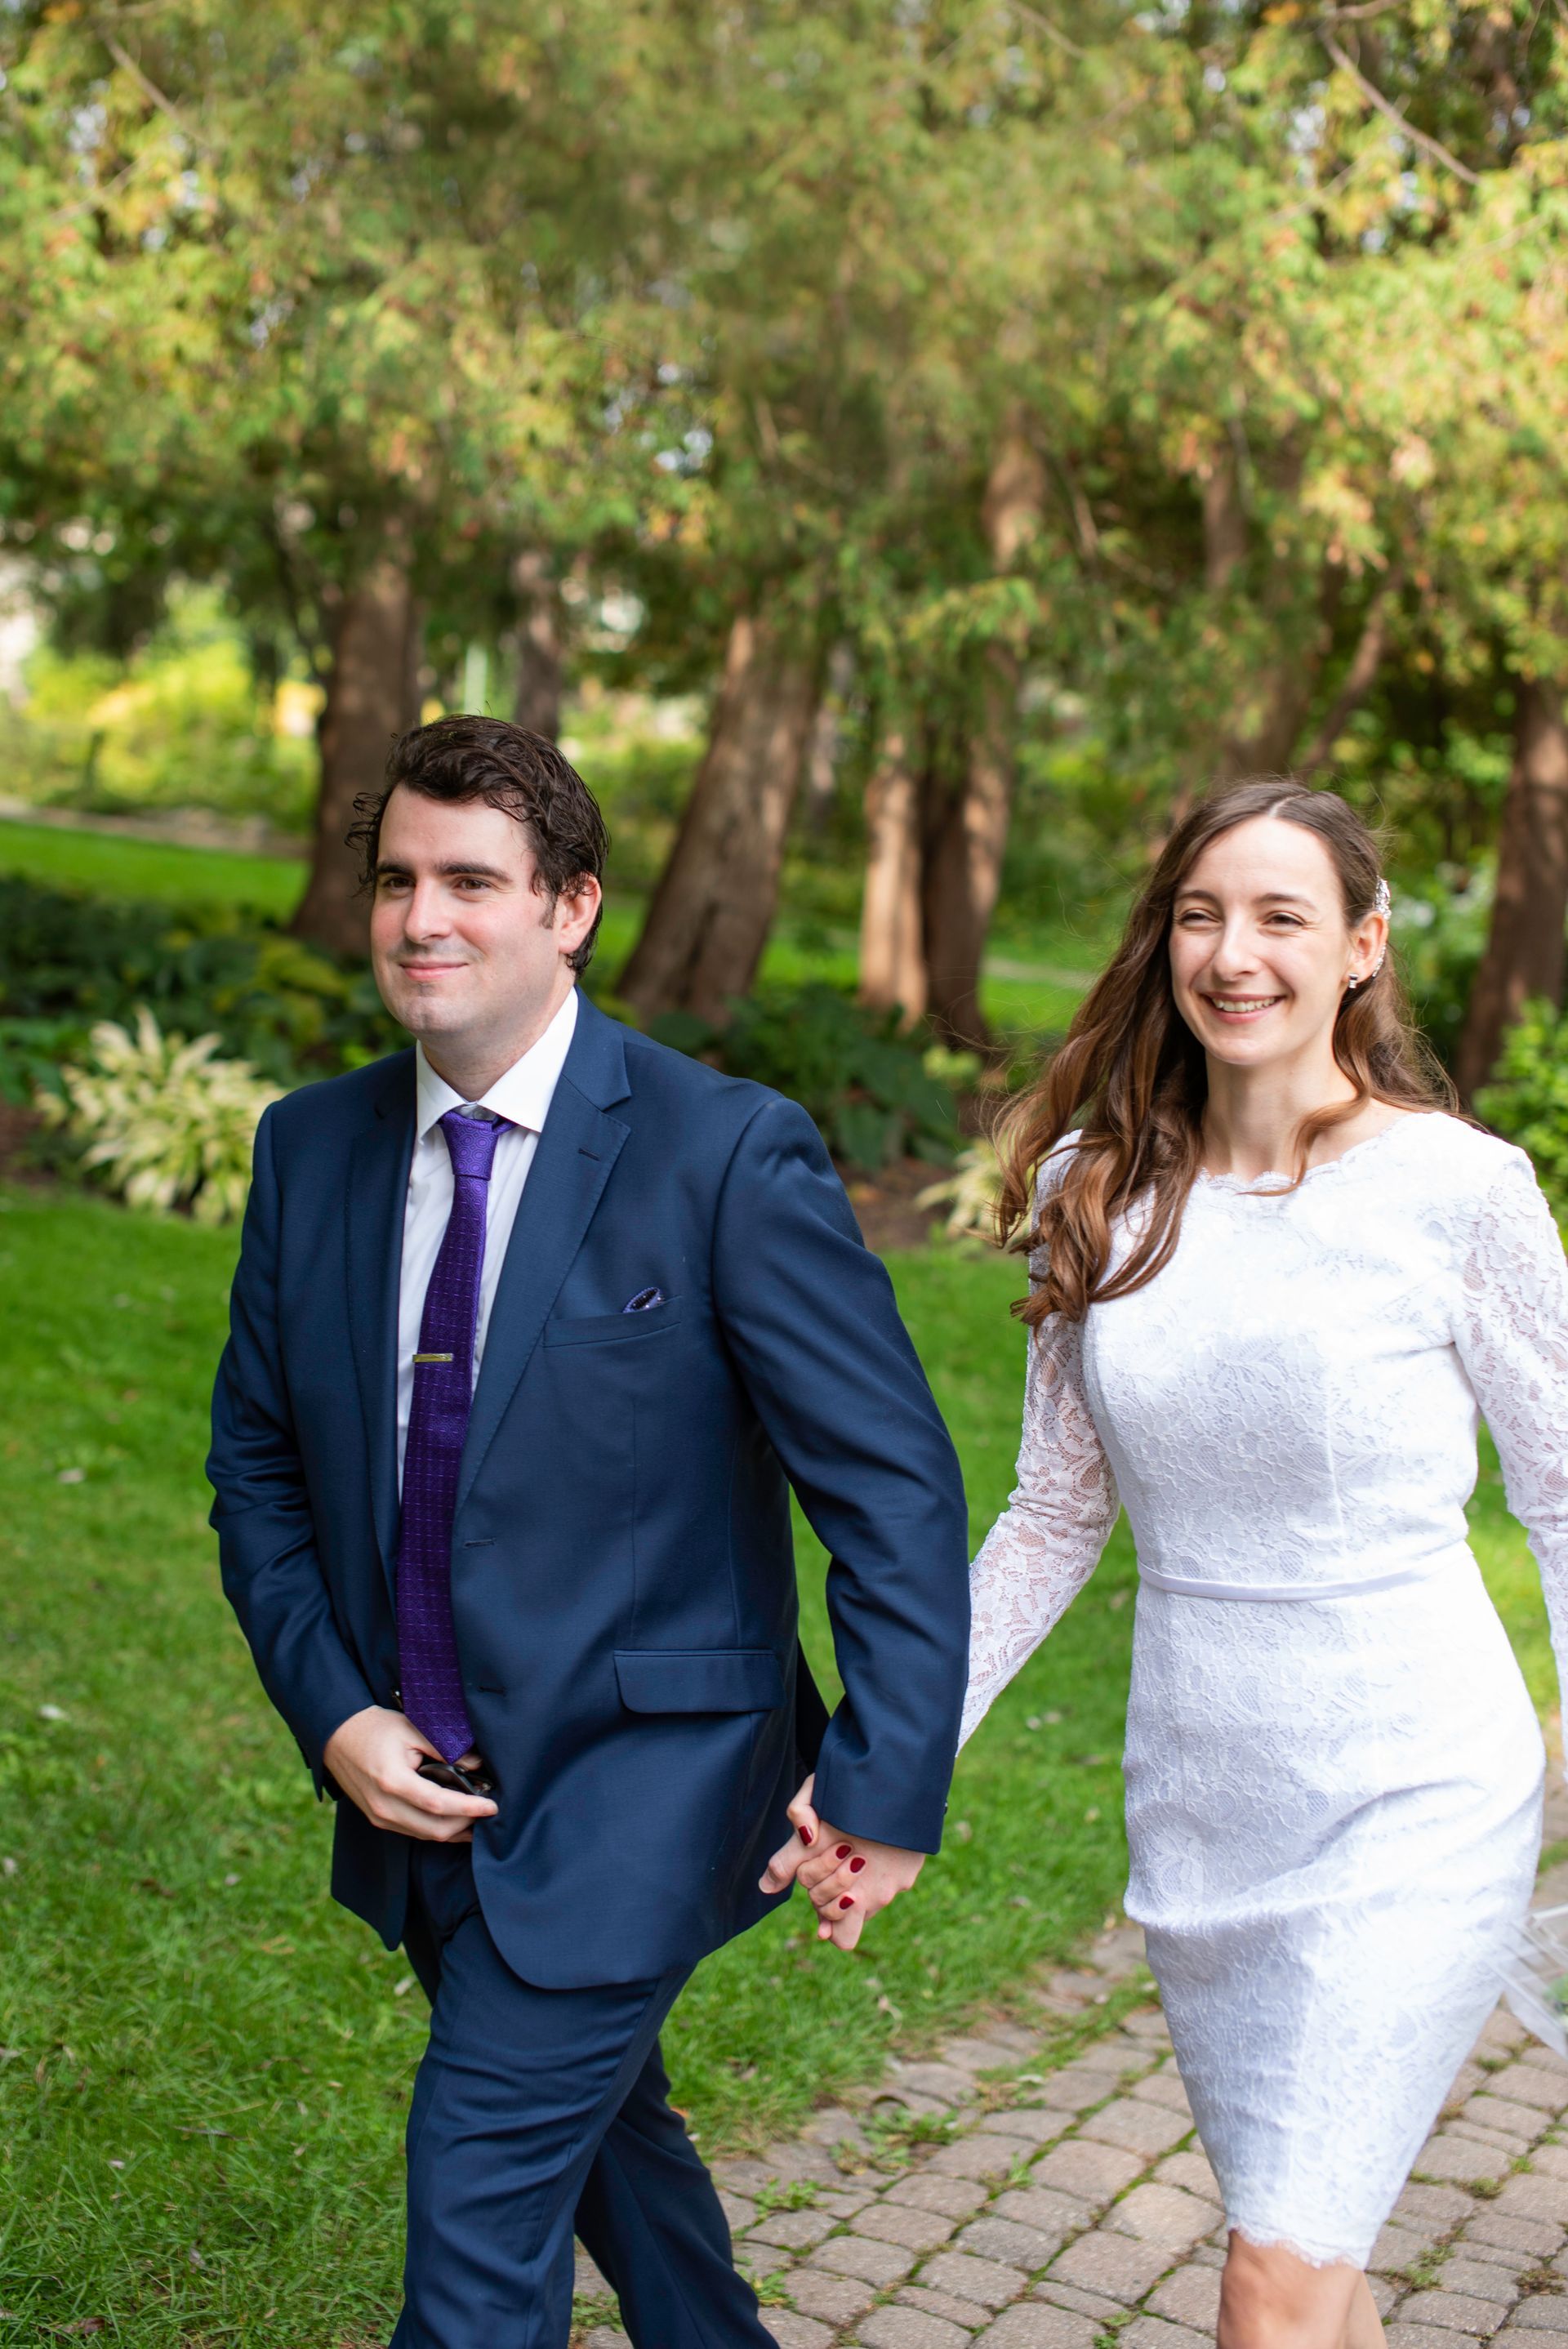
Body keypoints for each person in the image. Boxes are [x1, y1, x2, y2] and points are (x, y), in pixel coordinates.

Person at [206, 715, 970, 2349]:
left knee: (479, 2200)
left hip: (651, 1776)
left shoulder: (721, 1152)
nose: (426, 917)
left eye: (473, 880)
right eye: (400, 878)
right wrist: (335, 1712)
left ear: (573, 908)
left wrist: (889, 1782)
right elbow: (257, 1468)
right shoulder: (311, 1146)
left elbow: (890, 1483)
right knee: (618, 2155)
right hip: (432, 1785)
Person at [956, 779, 1568, 2349]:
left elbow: (1565, 1495)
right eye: (1202, 912)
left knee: (1270, 2289)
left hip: (1414, 1795)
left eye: (1283, 916)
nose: (1235, 953)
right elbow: (1052, 1515)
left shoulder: (1462, 1194)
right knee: (1312, 2269)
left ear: (1362, 948)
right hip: (1204, 1801)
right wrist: (903, 1742)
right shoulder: (1090, 1186)